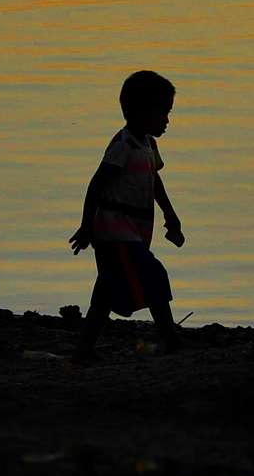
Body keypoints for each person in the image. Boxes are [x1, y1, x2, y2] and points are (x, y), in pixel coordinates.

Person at [69, 71, 187, 364]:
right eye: (164, 113)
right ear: (142, 112)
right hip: (114, 231)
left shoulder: (148, 145)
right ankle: (170, 339)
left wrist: (170, 215)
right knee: (155, 275)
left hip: (132, 231)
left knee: (106, 292)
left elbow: (154, 181)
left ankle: (84, 350)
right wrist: (86, 227)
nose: (167, 121)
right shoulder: (123, 146)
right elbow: (96, 185)